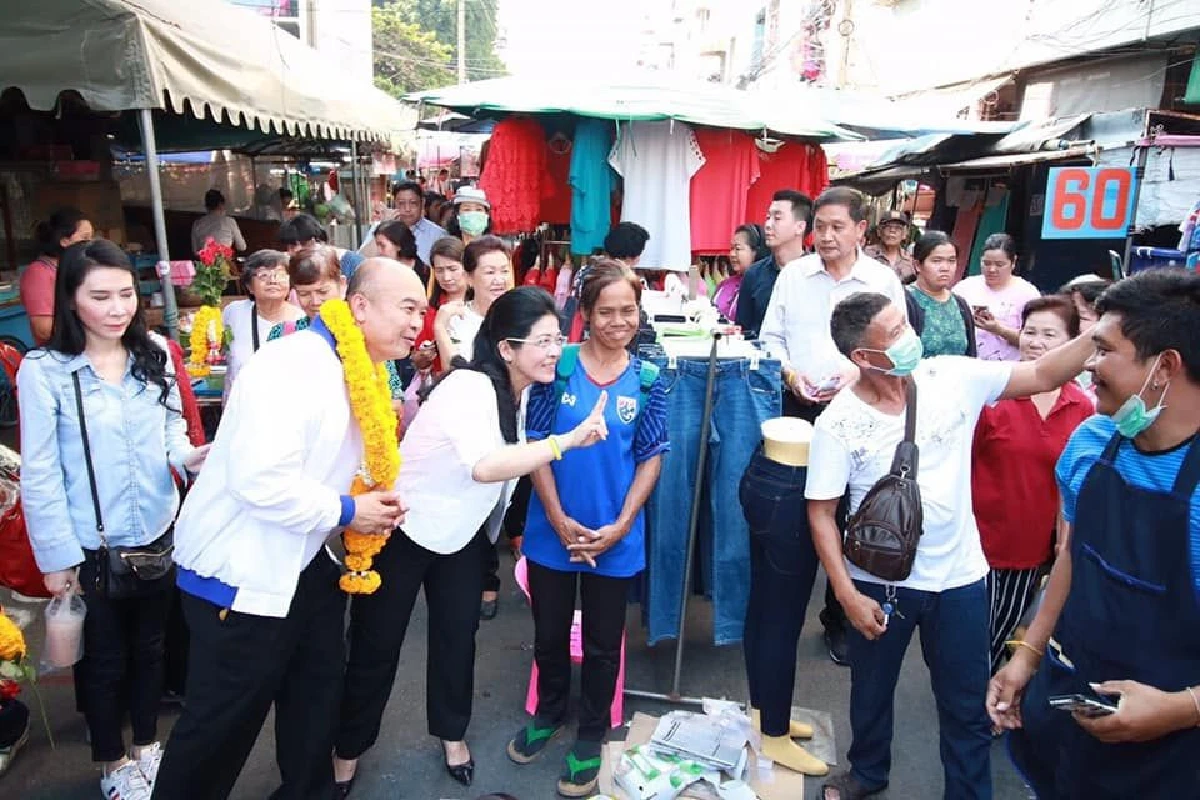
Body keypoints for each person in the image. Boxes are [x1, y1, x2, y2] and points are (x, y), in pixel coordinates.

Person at [805, 290, 1095, 800]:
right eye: (895, 334)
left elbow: (1043, 374)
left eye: (905, 324)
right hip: (881, 585)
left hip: (960, 578)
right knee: (871, 691)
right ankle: (867, 771)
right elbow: (821, 512)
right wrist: (847, 595)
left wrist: (1103, 330)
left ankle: (968, 792)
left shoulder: (951, 377)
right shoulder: (838, 422)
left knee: (965, 705)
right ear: (863, 357)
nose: (909, 337)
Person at [152, 259, 424, 800]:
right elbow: (259, 481)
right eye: (408, 308)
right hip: (241, 573)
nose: (418, 323)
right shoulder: (293, 365)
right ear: (360, 307)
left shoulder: (363, 368)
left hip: (305, 562)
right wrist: (349, 512)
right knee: (220, 727)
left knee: (315, 699)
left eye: (422, 310)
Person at [333, 287, 610, 795]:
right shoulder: (468, 386)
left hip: (462, 535)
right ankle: (347, 750)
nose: (555, 351)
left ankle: (452, 734)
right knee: (376, 646)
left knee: (457, 639)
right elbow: (485, 466)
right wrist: (565, 443)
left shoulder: (524, 391)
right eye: (543, 341)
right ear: (506, 348)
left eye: (558, 339)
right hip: (404, 530)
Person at [988, 269, 1200, 798]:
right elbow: (1073, 555)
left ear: (1164, 367)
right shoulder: (1092, 441)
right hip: (1069, 706)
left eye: (1103, 350)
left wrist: (1182, 708)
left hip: (1167, 761)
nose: (1088, 364)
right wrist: (1028, 653)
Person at [18, 239, 207, 800]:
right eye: (100, 297)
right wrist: (56, 558)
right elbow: (41, 473)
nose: (118, 308)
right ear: (71, 299)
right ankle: (112, 762)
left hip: (157, 531)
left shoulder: (156, 352)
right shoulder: (46, 372)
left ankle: (147, 747)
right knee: (103, 662)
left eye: (126, 294)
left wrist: (190, 456)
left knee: (152, 649)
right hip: (89, 543)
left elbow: (172, 431)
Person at [506, 263, 669, 798]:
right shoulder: (560, 368)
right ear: (585, 313)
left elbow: (650, 457)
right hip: (551, 531)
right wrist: (556, 518)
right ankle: (550, 711)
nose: (619, 322)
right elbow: (536, 446)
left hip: (614, 539)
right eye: (606, 312)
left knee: (603, 644)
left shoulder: (649, 379)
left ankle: (592, 733)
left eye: (629, 311)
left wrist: (622, 525)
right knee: (549, 632)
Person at [761, 187, 907, 666]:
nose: (826, 237)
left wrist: (856, 373)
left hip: (861, 408)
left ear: (861, 229)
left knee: (852, 512)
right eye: (820, 227)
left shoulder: (882, 280)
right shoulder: (795, 276)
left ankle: (841, 616)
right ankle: (784, 613)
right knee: (800, 509)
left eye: (837, 227)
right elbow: (770, 338)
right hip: (800, 409)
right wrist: (790, 375)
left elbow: (899, 342)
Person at [971, 295, 1093, 674]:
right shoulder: (992, 394)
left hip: (1033, 548)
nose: (1035, 342)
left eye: (1049, 334)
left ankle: (985, 693)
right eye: (1030, 331)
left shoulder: (1082, 407)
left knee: (1006, 631)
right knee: (971, 637)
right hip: (977, 542)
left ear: (1071, 343)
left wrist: (1064, 543)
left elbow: (1074, 484)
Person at [221, 250, 304, 395]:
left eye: (280, 274)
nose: (273, 281)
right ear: (249, 286)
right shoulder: (233, 313)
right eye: (264, 275)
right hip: (240, 402)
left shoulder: (302, 320)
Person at [953, 234, 1041, 361]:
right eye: (986, 263)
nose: (992, 269)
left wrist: (998, 329)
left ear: (1013, 263)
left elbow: (1035, 341)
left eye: (999, 264)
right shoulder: (964, 288)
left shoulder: (1027, 293)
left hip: (1011, 367)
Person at [735, 190, 811, 337]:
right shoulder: (754, 274)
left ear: (800, 227)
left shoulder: (815, 273)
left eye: (777, 218)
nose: (768, 225)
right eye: (768, 218)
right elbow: (743, 330)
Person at [21, 207, 93, 347]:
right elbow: (44, 329)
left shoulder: (76, 267)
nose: (90, 243)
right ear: (64, 241)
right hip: (63, 351)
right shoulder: (39, 273)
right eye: (85, 238)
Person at [434, 236, 513, 364]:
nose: (499, 280)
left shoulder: (521, 315)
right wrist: (440, 327)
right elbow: (452, 371)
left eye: (504, 271)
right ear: (468, 278)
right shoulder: (456, 320)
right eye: (490, 272)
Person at [904, 231, 976, 358]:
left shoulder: (960, 304)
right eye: (937, 261)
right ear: (918, 265)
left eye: (951, 261)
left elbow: (970, 354)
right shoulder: (905, 300)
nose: (945, 268)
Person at [279, 212, 364, 279]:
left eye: (304, 243)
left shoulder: (353, 264)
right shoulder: (288, 268)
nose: (296, 250)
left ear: (317, 240)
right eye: (290, 247)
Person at [715, 225, 768, 320]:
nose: (732, 254)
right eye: (731, 248)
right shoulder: (724, 285)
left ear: (755, 252)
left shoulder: (763, 288)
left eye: (738, 249)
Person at [394, 180, 447, 263]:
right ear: (395, 203)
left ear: (422, 203)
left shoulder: (438, 235)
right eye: (401, 203)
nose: (407, 209)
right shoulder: (383, 231)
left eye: (413, 203)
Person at [191, 189, 247, 256]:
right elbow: (242, 247)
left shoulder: (197, 224)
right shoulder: (230, 221)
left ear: (206, 206)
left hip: (205, 261)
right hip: (224, 261)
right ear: (222, 205)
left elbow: (195, 251)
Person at [374, 220, 431, 285]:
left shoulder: (425, 273)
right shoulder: (379, 273)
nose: (378, 252)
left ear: (398, 245)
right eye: (377, 246)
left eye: (382, 246)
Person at [864, 210, 915, 282]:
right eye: (887, 227)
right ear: (879, 231)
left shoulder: (909, 260)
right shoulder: (866, 254)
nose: (892, 231)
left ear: (904, 234)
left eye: (898, 228)